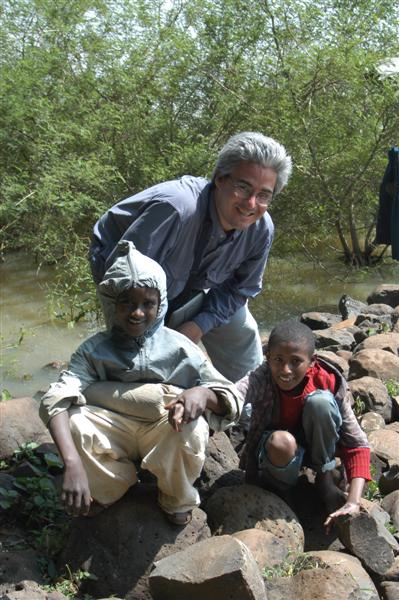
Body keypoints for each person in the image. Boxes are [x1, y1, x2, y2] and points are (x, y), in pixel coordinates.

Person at [40, 241, 242, 525]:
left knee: (193, 425)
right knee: (73, 419)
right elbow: (55, 398)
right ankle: (110, 487)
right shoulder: (93, 350)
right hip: (113, 429)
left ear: (160, 305)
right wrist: (71, 463)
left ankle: (176, 497)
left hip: (163, 429)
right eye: (127, 303)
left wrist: (201, 393)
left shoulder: (181, 348)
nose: (137, 313)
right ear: (112, 304)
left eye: (147, 304)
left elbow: (230, 395)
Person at [90, 132, 292, 381]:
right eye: (243, 187)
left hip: (199, 283)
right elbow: (128, 285)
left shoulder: (261, 229)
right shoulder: (176, 209)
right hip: (128, 276)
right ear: (220, 179)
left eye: (264, 195)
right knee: (143, 361)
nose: (251, 203)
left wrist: (196, 326)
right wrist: (163, 338)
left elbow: (241, 289)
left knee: (244, 333)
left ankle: (250, 403)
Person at [237, 319, 371, 533]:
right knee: (282, 442)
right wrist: (205, 396)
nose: (286, 370)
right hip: (278, 451)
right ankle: (283, 489)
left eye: (295, 361)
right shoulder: (260, 378)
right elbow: (234, 394)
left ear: (312, 362)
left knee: (321, 403)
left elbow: (358, 444)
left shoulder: (327, 380)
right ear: (267, 356)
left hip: (318, 449)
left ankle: (325, 480)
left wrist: (353, 501)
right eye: (278, 360)